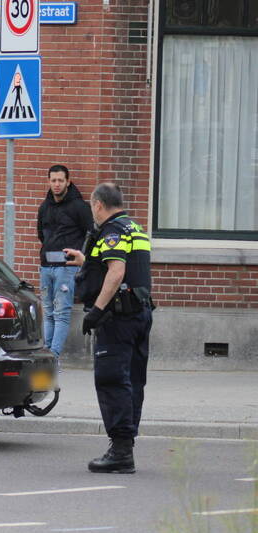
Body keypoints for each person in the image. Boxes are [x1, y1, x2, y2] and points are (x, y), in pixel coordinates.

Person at [64, 183, 154, 474]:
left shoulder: (112, 231)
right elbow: (118, 264)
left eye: (92, 207)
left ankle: (120, 452)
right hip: (139, 315)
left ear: (99, 205)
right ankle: (126, 445)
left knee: (112, 379)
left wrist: (97, 311)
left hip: (117, 319)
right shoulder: (135, 228)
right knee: (133, 381)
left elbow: (116, 272)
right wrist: (86, 260)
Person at [36, 164, 93, 358]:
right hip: (45, 267)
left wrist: (81, 257)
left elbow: (91, 233)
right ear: (48, 182)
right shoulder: (44, 207)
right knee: (48, 312)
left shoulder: (80, 207)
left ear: (68, 181)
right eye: (53, 180)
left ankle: (53, 357)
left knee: (61, 313)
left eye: (61, 180)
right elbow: (41, 234)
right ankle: (47, 357)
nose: (57, 184)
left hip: (67, 268)